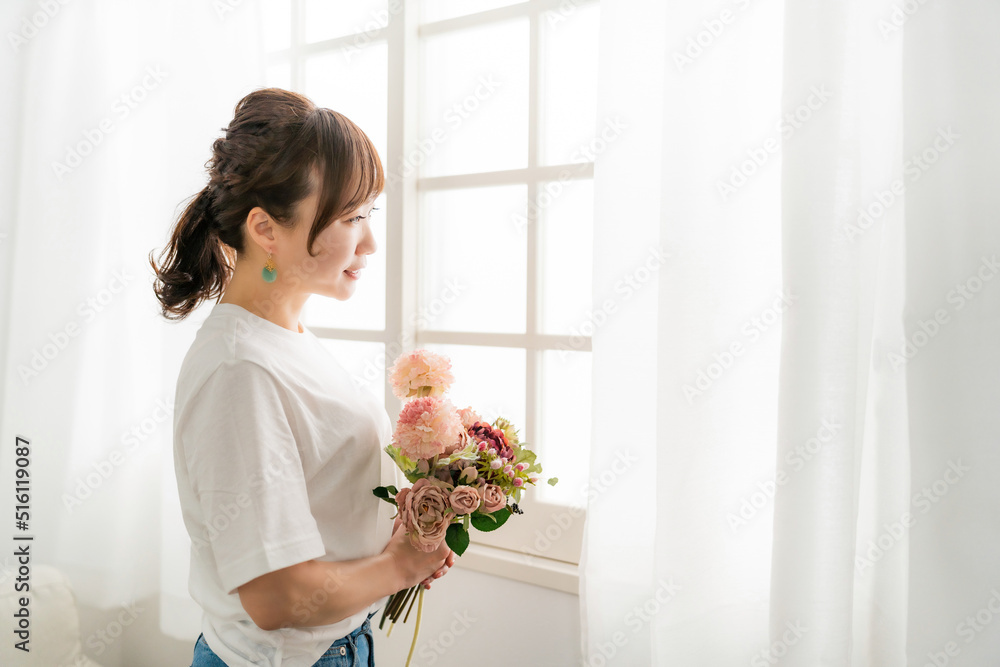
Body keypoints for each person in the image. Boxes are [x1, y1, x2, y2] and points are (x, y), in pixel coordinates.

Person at [149, 87, 454, 667]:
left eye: (370, 214)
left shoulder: (283, 339)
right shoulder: (240, 370)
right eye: (350, 217)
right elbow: (275, 595)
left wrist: (402, 541)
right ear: (265, 229)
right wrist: (399, 565)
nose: (369, 242)